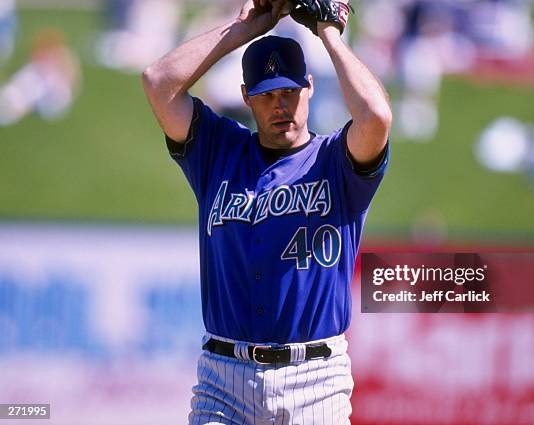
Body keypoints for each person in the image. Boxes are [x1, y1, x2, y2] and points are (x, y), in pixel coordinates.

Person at [142, 0, 391, 423]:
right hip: (224, 379)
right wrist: (241, 30)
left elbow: (377, 115)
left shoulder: (336, 160)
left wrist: (328, 33)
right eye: (267, 94)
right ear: (246, 97)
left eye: (290, 91)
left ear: (309, 86)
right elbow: (158, 82)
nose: (281, 105)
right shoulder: (218, 151)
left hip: (316, 380)